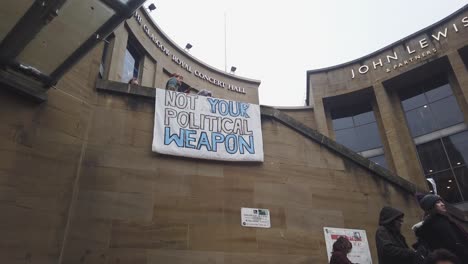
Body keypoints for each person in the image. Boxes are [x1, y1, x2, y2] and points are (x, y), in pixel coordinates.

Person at [415, 194, 468, 263]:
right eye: (438, 202)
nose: (442, 204)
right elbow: (454, 244)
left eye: (441, 202)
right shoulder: (437, 223)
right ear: (430, 207)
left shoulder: (443, 219)